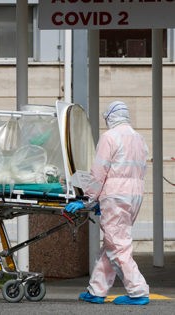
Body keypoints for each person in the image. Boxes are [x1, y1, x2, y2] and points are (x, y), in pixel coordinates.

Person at [65, 100, 149, 305]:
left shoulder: (109, 137)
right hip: (134, 195)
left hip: (115, 196)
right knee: (112, 243)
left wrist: (88, 199)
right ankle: (97, 290)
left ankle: (138, 291)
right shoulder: (139, 139)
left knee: (118, 245)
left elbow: (99, 171)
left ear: (110, 117)